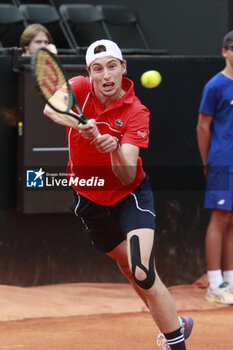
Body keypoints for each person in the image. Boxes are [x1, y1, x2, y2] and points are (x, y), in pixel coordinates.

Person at [44, 39, 193, 349]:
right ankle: (178, 322)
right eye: (98, 69)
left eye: (112, 66)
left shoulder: (137, 111)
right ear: (90, 73)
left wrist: (112, 149)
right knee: (129, 270)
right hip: (90, 199)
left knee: (142, 270)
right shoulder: (79, 87)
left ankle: (175, 343)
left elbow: (126, 174)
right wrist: (81, 124)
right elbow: (51, 108)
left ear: (124, 68)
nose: (106, 75)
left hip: (130, 195)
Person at [197, 30, 233, 304]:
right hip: (222, 161)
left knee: (232, 222)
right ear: (225, 52)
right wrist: (207, 160)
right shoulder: (214, 86)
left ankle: (229, 281)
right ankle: (214, 283)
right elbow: (203, 126)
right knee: (220, 219)